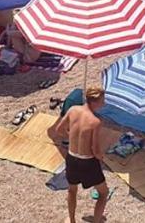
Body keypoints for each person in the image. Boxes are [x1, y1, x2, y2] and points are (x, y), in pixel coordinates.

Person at [48, 86, 109, 223]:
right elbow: (95, 149)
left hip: (72, 157)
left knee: (72, 190)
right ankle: (97, 220)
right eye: (102, 101)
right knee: (103, 193)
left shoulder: (72, 110)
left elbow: (59, 130)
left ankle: (71, 220)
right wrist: (101, 157)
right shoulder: (95, 122)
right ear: (94, 102)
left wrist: (72, 138)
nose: (104, 104)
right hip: (88, 162)